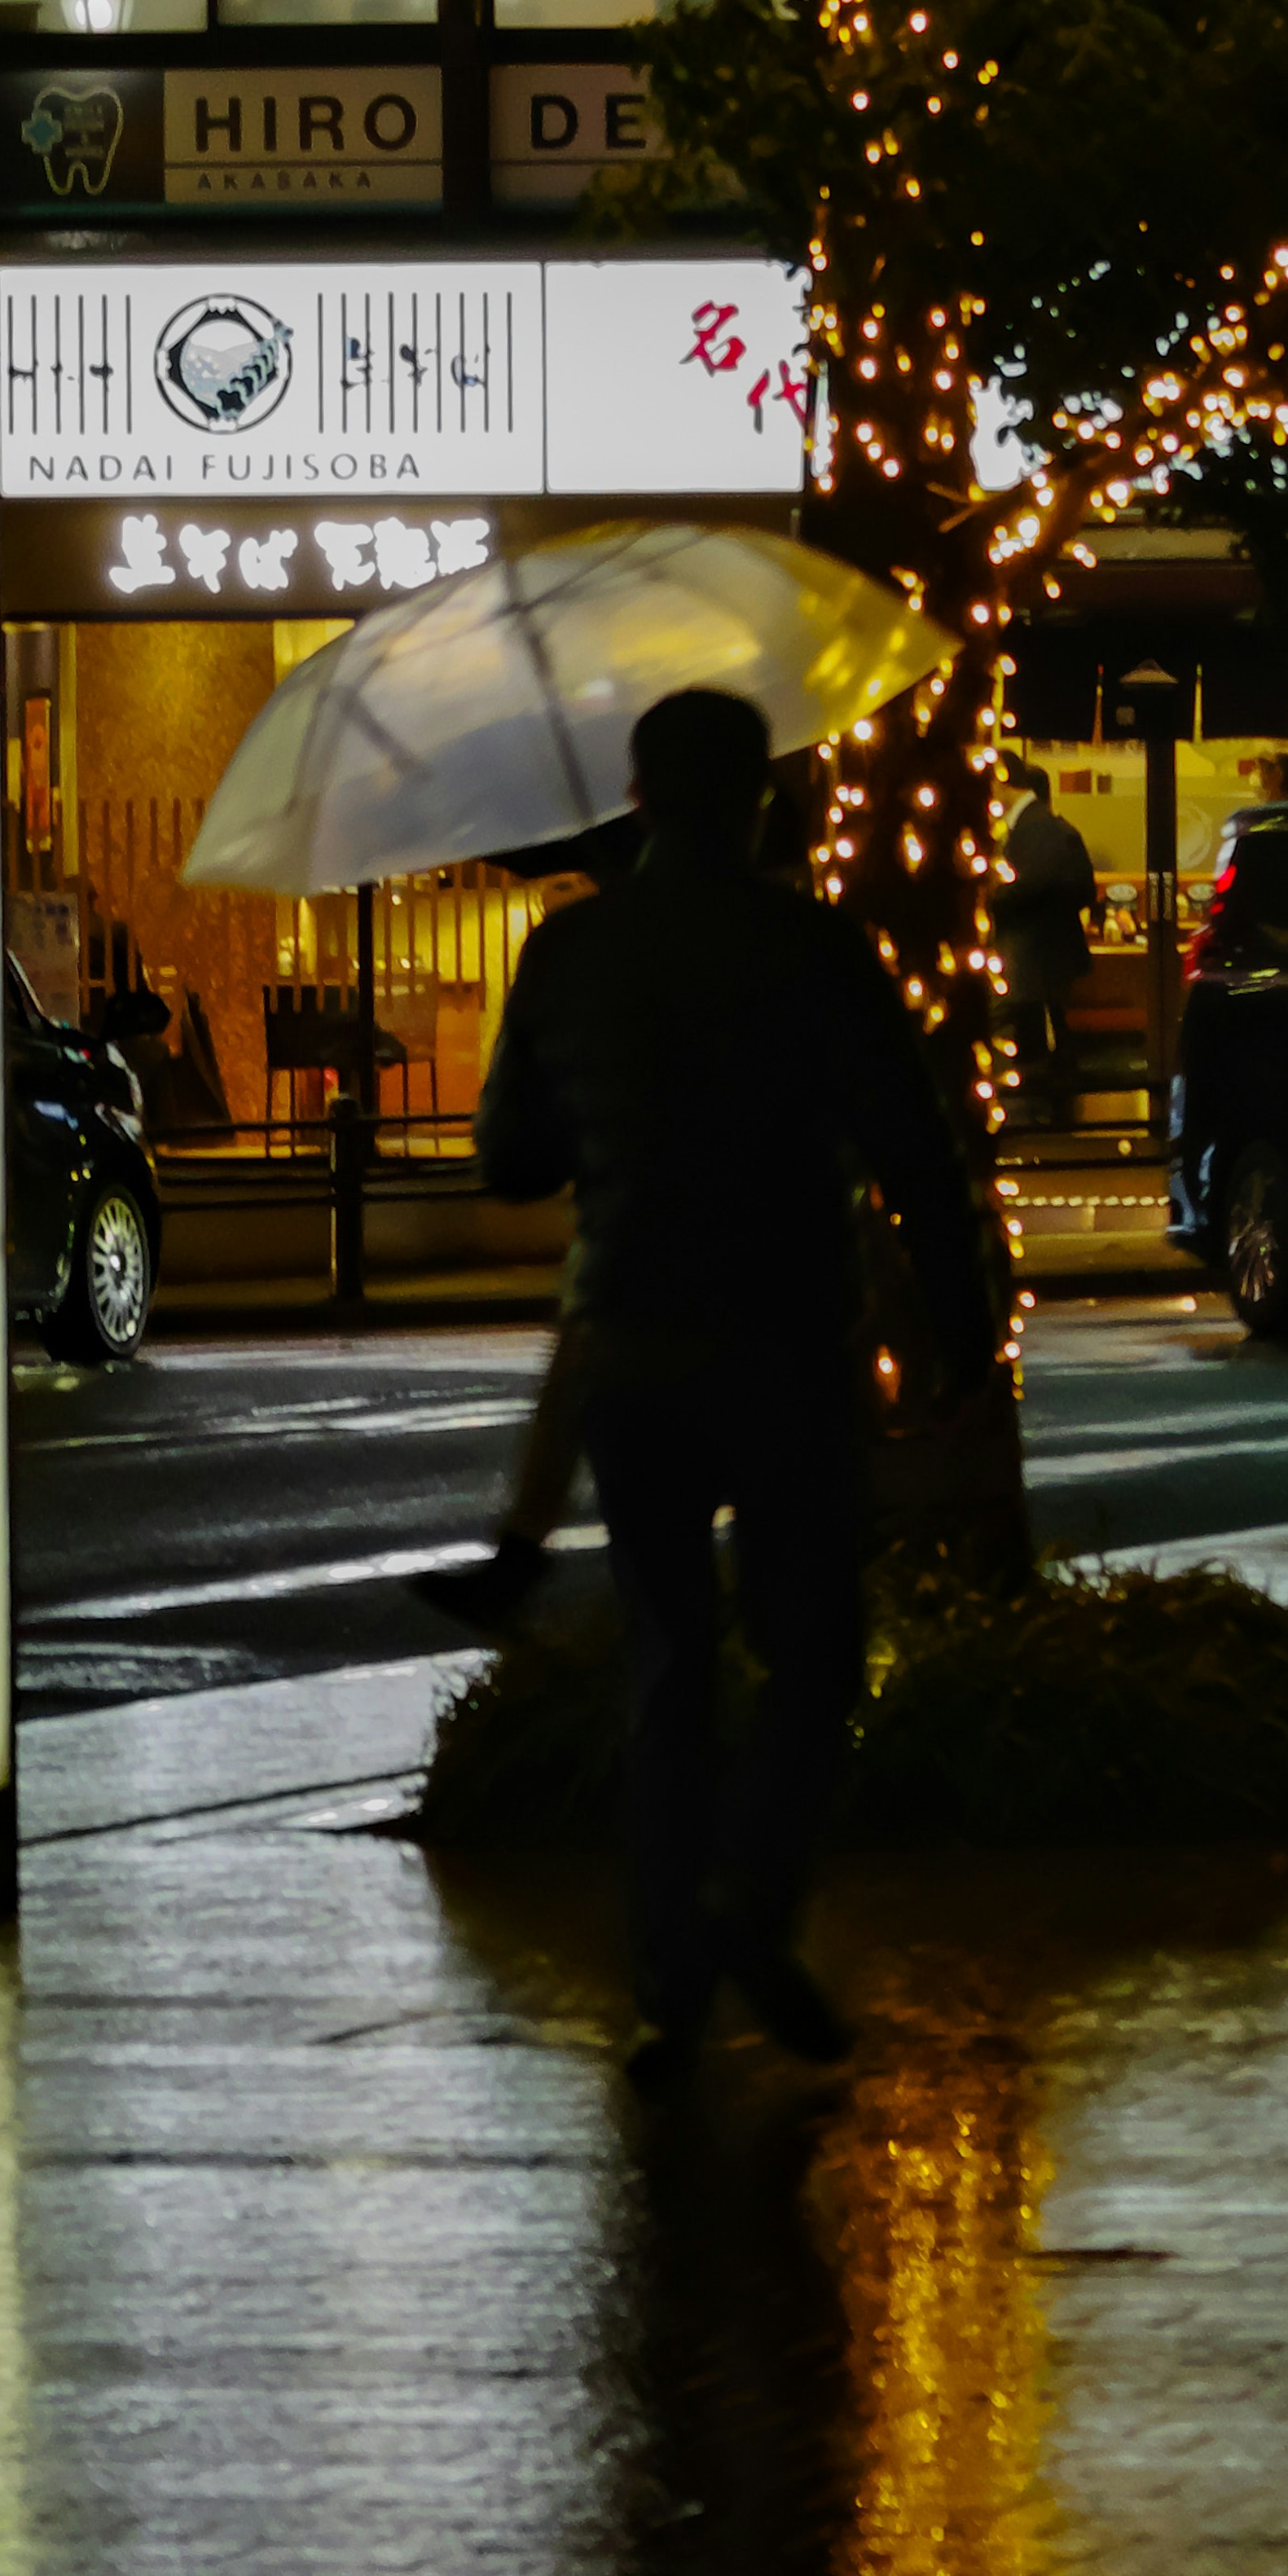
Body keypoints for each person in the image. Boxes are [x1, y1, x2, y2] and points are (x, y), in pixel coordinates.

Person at [470, 684, 993, 2084]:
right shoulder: (814, 948)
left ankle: (664, 1990)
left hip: (633, 1344)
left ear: (637, 799)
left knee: (668, 1662)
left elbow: (509, 1158)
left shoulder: (569, 953)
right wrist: (959, 1331)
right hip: (785, 1337)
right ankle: (749, 1902)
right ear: (761, 795)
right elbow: (916, 1152)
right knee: (814, 1652)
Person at [997, 756, 1097, 1119]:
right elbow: (1083, 889)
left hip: (1032, 958)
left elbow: (1026, 889)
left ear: (1003, 783)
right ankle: (1053, 1116)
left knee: (1035, 1049)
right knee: (1048, 1041)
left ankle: (1040, 1121)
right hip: (1045, 957)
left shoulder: (1037, 831)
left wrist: (987, 895)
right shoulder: (1050, 827)